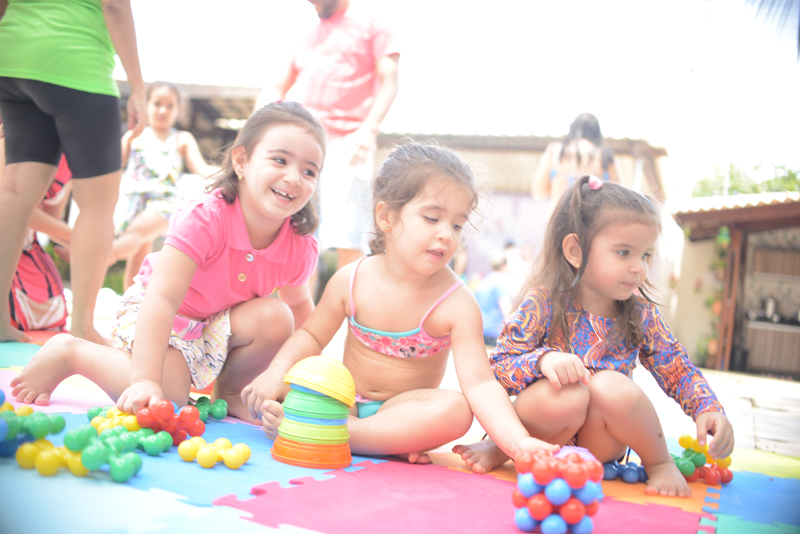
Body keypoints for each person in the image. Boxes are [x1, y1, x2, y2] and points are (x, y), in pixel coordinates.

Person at [242, 144, 559, 464]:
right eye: (432, 218)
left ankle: (332, 434)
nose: (447, 234)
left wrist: (518, 443)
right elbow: (310, 337)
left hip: (405, 410)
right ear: (386, 217)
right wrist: (275, 375)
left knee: (457, 411)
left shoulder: (457, 304)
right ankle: (364, 436)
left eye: (457, 225)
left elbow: (479, 383)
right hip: (343, 399)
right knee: (305, 378)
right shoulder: (351, 280)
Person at [10, 102, 324, 424]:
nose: (293, 177)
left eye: (309, 170)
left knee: (277, 316)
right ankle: (70, 353)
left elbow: (302, 314)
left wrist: (307, 380)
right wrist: (145, 379)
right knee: (168, 396)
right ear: (242, 161)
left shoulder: (298, 245)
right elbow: (161, 298)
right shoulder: (205, 218)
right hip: (158, 313)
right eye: (280, 160)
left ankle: (231, 395)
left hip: (213, 325)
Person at [453, 175, 734, 497]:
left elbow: (676, 367)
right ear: (575, 250)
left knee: (609, 386)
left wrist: (707, 408)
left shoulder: (640, 314)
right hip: (541, 432)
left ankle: (660, 463)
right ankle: (505, 447)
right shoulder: (543, 302)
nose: (639, 268)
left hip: (600, 443)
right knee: (568, 391)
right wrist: (544, 360)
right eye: (624, 252)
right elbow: (500, 367)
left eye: (644, 255)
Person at [0, 0, 147, 345]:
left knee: (15, 193)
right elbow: (113, 5)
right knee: (98, 204)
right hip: (74, 63)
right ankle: (81, 327)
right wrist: (138, 88)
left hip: (11, 60)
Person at [255, 0, 400, 273]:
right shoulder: (306, 34)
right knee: (296, 234)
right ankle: (299, 315)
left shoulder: (372, 24)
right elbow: (275, 87)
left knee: (349, 237)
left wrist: (368, 129)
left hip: (350, 144)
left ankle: (351, 315)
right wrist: (255, 130)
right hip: (305, 145)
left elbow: (390, 82)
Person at [113, 81, 219, 291]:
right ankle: (128, 310)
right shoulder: (133, 137)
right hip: (135, 205)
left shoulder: (181, 139)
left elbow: (202, 169)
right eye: (157, 103)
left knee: (133, 236)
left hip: (164, 203)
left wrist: (232, 172)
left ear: (178, 110)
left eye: (170, 105)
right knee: (137, 259)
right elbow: (112, 170)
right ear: (146, 105)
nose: (163, 110)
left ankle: (105, 254)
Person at [8, 155, 72, 332]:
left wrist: (79, 246)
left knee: (53, 313)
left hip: (26, 246)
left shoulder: (73, 154)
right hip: (8, 239)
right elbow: (13, 207)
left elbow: (52, 220)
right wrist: (81, 240)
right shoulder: (11, 134)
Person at [531, 113, 619, 206]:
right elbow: (618, 195)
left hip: (560, 215)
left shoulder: (555, 151)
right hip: (592, 218)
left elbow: (538, 192)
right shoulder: (606, 154)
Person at [474, 256, 512, 347]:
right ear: (503, 266)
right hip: (493, 332)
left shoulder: (486, 279)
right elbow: (505, 307)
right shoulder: (500, 281)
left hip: (480, 329)